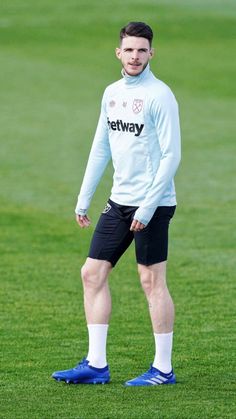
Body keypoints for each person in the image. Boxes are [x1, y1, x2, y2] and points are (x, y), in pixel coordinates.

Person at [52, 21, 181, 386]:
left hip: (154, 203)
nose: (136, 56)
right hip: (119, 201)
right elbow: (101, 147)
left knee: (150, 280)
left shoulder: (160, 95)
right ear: (118, 52)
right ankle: (96, 364)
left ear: (151, 53)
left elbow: (172, 156)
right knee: (91, 274)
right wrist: (83, 197)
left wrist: (147, 207)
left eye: (142, 50)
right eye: (130, 49)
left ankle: (163, 369)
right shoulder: (111, 93)